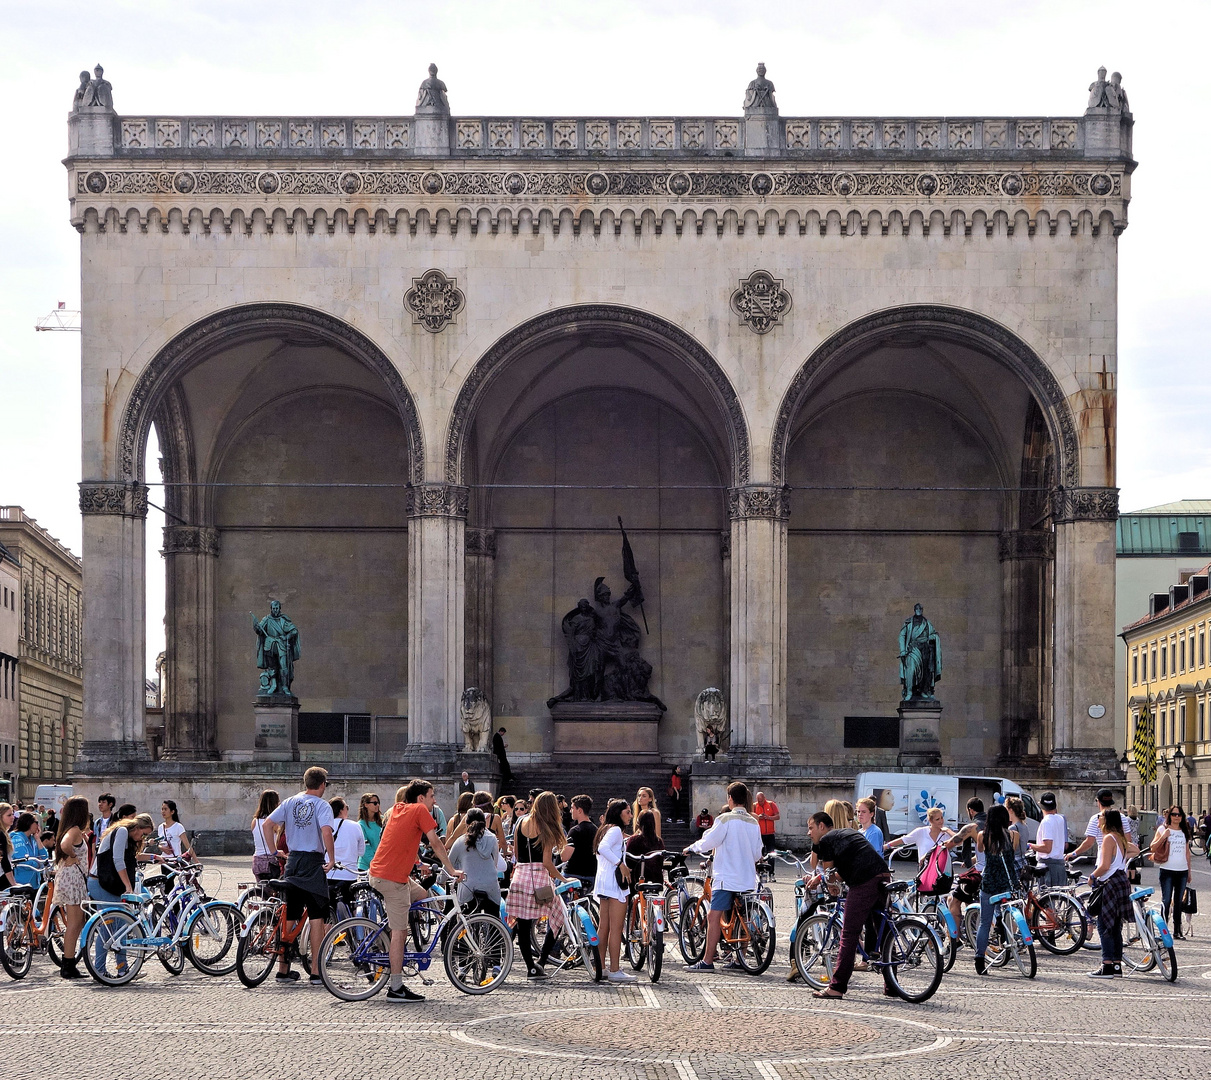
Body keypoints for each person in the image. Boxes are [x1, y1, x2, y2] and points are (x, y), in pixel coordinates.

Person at [368, 779, 464, 1002]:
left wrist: (417, 863)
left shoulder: (399, 809)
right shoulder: (420, 809)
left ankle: (401, 940)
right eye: (432, 796)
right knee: (399, 933)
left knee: (424, 897)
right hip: (392, 879)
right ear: (421, 798)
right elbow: (436, 843)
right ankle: (396, 986)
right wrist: (451, 870)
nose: (435, 800)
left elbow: (401, 838)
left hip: (387, 874)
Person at [806, 810, 894, 999]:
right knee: (884, 932)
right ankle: (892, 985)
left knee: (849, 934)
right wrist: (826, 878)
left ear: (822, 826)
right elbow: (849, 867)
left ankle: (836, 987)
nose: (809, 833)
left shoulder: (826, 840)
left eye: (811, 828)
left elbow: (830, 875)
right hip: (883, 874)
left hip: (865, 881)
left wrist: (829, 886)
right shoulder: (848, 833)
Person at [263, 767, 337, 986]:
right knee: (317, 916)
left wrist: (273, 851)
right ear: (322, 784)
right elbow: (326, 832)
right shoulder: (322, 805)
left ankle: (283, 970)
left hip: (293, 861)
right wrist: (331, 859)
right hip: (312, 863)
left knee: (291, 912)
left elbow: (268, 824)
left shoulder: (289, 801)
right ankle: (315, 971)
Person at [683, 781, 763, 972]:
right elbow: (758, 853)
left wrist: (691, 848)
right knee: (742, 915)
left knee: (713, 916)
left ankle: (708, 961)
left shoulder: (725, 819)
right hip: (747, 877)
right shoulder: (753, 821)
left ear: (730, 799)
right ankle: (740, 959)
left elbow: (708, 841)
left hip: (726, 876)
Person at [509, 791, 571, 980]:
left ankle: (531, 968)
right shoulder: (547, 827)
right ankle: (542, 961)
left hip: (520, 875)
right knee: (559, 916)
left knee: (524, 925)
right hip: (539, 878)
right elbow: (547, 862)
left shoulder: (520, 822)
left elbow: (517, 853)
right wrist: (563, 878)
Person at [88, 812, 157, 975]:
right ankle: (106, 970)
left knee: (115, 926)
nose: (142, 838)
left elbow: (133, 857)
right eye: (143, 834)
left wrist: (155, 857)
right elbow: (118, 859)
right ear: (137, 827)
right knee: (113, 927)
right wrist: (128, 887)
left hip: (101, 883)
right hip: (101, 883)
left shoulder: (124, 834)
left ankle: (117, 969)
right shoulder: (122, 832)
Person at [972, 803, 1020, 974]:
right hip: (1006, 883)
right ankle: (1004, 935)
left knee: (985, 923)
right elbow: (1011, 853)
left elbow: (980, 850)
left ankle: (979, 959)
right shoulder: (1014, 835)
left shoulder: (982, 835)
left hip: (989, 882)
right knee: (1006, 914)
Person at [1088, 809, 1137, 978]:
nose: (1098, 819)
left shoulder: (1109, 838)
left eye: (1100, 817)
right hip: (1121, 881)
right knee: (1116, 926)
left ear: (1107, 821)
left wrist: (1093, 875)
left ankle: (1107, 964)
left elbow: (1105, 866)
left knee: (1105, 925)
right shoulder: (1120, 838)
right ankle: (1116, 965)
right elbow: (1136, 850)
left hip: (1110, 883)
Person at [594, 798, 636, 983]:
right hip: (614, 883)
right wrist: (620, 864)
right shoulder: (616, 830)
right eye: (627, 812)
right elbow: (603, 848)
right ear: (619, 813)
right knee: (616, 928)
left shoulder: (604, 828)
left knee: (604, 927)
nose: (630, 815)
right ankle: (615, 969)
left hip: (603, 882)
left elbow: (601, 848)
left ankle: (601, 967)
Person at [52, 796, 90, 979]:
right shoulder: (74, 830)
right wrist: (73, 855)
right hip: (73, 878)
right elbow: (65, 844)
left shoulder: (73, 829)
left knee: (77, 922)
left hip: (73, 878)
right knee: (74, 923)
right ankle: (67, 964)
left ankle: (69, 961)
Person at [447, 807, 502, 917]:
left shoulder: (461, 841)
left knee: (466, 921)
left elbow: (448, 864)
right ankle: (495, 932)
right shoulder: (492, 839)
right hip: (490, 885)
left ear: (466, 824)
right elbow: (495, 863)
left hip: (468, 886)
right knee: (494, 917)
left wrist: (440, 879)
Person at [1152, 806, 1190, 938]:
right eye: (1174, 814)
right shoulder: (1163, 829)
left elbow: (1187, 853)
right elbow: (1153, 847)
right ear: (1170, 816)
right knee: (1166, 900)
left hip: (1182, 870)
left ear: (1182, 816)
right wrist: (1163, 836)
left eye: (1179, 815)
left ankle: (1177, 931)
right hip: (1167, 870)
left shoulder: (1184, 831)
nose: (1176, 817)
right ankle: (1163, 930)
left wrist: (1189, 872)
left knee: (1179, 902)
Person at [327, 797, 366, 915]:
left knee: (329, 911)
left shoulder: (324, 826)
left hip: (328, 873)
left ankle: (329, 932)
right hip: (349, 874)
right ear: (341, 810)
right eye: (346, 808)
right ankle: (355, 930)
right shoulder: (355, 826)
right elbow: (361, 852)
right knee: (352, 906)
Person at [1066, 789, 1120, 863]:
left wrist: (1074, 853)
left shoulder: (1097, 818)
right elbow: (1128, 839)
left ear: (1098, 802)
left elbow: (1089, 842)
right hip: (1120, 861)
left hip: (1103, 859)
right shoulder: (1122, 817)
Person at [1028, 791, 1069, 887]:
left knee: (1046, 899)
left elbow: (1047, 848)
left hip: (1047, 866)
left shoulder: (1046, 821)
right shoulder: (1060, 819)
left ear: (1042, 807)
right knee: (1058, 897)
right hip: (1059, 864)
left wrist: (1030, 845)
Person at [560, 794, 597, 892]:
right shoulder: (596, 830)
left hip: (573, 875)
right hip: (591, 876)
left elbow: (564, 857)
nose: (570, 810)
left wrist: (561, 847)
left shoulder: (575, 831)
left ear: (579, 810)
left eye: (572, 808)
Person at [626, 808, 665, 887]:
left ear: (639, 823)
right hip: (656, 879)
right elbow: (661, 860)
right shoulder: (658, 841)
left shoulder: (633, 840)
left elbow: (628, 860)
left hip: (637, 879)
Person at [251, 789, 282, 882]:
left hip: (257, 860)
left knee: (263, 891)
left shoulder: (254, 821)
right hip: (271, 862)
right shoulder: (274, 823)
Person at [10, 813, 46, 886]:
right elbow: (23, 861)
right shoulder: (17, 838)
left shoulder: (33, 839)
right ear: (29, 823)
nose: (38, 825)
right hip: (22, 882)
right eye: (36, 822)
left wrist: (38, 839)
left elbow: (44, 857)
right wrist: (38, 863)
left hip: (34, 883)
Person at [1006, 797, 1034, 875]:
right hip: (1023, 862)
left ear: (1011, 810)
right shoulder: (1025, 826)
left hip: (1015, 863)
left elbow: (1010, 849)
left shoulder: (1013, 828)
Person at [357, 793, 383, 873]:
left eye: (378, 803)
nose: (377, 805)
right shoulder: (361, 825)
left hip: (382, 864)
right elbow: (365, 848)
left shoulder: (383, 820)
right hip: (366, 867)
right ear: (366, 805)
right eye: (375, 803)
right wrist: (376, 865)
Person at [0, 803, 16, 888]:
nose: (12, 817)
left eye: (13, 814)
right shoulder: (1, 834)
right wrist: (13, 883)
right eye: (9, 815)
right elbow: (4, 860)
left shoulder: (4, 833)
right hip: (2, 876)